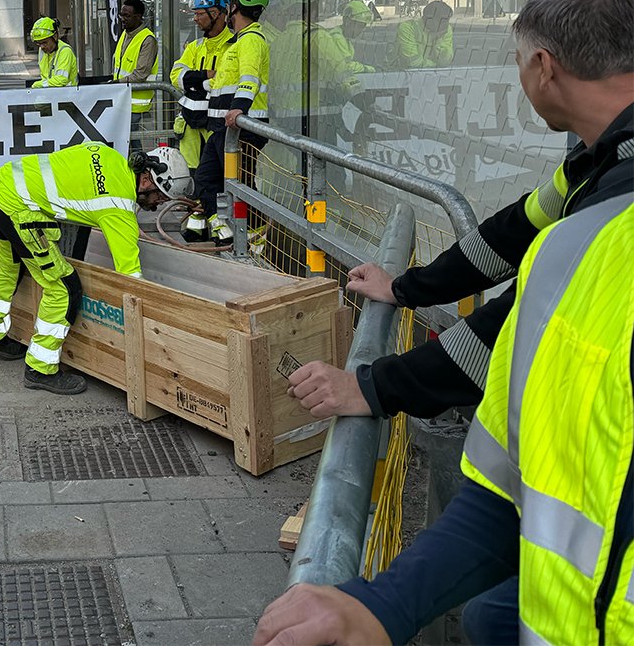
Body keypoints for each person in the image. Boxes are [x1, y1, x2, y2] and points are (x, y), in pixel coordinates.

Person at [254, 193, 634, 646]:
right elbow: (502, 239)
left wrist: (375, 386)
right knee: (490, 617)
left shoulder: (601, 236)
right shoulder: (592, 185)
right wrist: (387, 602)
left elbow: (494, 339)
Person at [287, 0, 634, 425]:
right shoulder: (599, 159)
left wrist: (370, 387)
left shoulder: (617, 199)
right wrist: (404, 288)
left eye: (518, 62)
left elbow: (515, 324)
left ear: (544, 66)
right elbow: (510, 235)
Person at [0, 144, 188, 395]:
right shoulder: (118, 207)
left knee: (5, 265)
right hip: (19, 209)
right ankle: (40, 369)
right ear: (145, 180)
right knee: (64, 288)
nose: (157, 204)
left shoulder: (107, 154)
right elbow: (130, 278)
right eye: (160, 196)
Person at [186, 0, 271, 245]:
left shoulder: (251, 40)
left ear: (234, 7)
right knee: (205, 179)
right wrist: (196, 81)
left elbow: (249, 79)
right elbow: (222, 83)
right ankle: (224, 230)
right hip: (222, 128)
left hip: (240, 129)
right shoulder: (237, 42)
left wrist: (238, 110)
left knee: (241, 186)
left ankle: (254, 240)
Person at [169, 0, 233, 201]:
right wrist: (205, 77)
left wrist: (194, 82)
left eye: (199, 14)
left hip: (216, 125)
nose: (195, 19)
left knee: (217, 180)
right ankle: (196, 220)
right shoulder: (196, 46)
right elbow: (175, 75)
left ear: (215, 14)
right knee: (193, 179)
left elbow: (225, 82)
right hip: (191, 126)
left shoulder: (232, 47)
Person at [111, 0, 160, 150]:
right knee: (128, 141)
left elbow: (140, 74)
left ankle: (142, 170)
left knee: (132, 142)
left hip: (136, 102)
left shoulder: (147, 39)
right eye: (121, 15)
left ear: (138, 17)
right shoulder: (126, 34)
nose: (122, 19)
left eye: (127, 16)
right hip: (123, 98)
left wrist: (115, 84)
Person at [395, 0, 455, 69]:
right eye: (443, 21)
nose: (446, 24)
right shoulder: (408, 27)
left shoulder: (446, 29)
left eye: (447, 20)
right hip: (399, 72)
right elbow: (412, 62)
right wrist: (434, 64)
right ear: (429, 20)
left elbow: (445, 61)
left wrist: (438, 40)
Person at [29, 17, 78, 88]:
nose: (42, 47)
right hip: (51, 94)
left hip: (68, 95)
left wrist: (38, 85)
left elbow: (61, 80)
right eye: (38, 43)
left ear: (55, 36)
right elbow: (45, 77)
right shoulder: (43, 50)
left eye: (44, 42)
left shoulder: (65, 51)